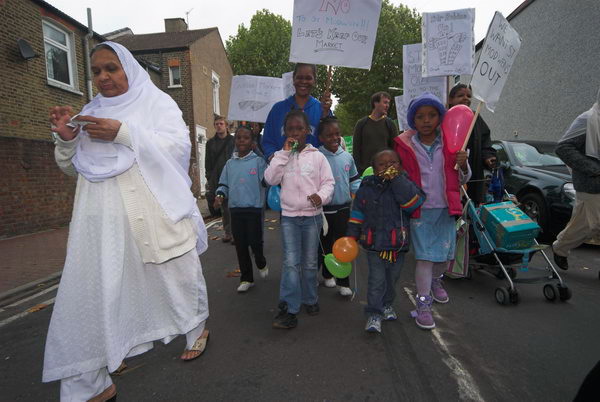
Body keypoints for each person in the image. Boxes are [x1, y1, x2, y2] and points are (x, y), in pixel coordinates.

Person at [44, 41, 210, 401]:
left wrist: (123, 133)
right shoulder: (89, 111)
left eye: (111, 69)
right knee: (93, 296)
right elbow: (74, 168)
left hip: (149, 217)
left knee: (175, 279)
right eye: (96, 71)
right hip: (99, 226)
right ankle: (90, 382)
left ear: (128, 69)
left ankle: (196, 326)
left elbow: (179, 147)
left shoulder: (157, 103)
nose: (103, 77)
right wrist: (69, 140)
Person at [394, 92, 470, 330]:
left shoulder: (452, 142)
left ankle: (437, 279)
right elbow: (399, 176)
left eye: (432, 115)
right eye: (420, 116)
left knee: (444, 258)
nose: (426, 120)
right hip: (421, 211)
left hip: (447, 208)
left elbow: (464, 177)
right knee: (425, 258)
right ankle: (423, 303)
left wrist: (464, 163)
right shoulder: (405, 145)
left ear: (440, 117)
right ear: (412, 120)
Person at [265, 110, 335, 329]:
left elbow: (328, 183)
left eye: (299, 128)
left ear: (308, 131)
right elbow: (270, 179)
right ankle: (289, 308)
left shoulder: (318, 157)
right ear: (285, 132)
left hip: (312, 217)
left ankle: (311, 298)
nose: (295, 133)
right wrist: (284, 154)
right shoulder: (281, 156)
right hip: (289, 218)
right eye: (290, 129)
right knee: (291, 263)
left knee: (310, 261)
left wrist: (321, 197)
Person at [347, 150, 425, 333]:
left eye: (393, 163)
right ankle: (374, 313)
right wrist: (351, 235)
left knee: (392, 279)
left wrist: (397, 180)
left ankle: (387, 304)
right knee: (377, 280)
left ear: (400, 165)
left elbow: (412, 204)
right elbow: (357, 214)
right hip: (374, 244)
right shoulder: (366, 188)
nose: (388, 166)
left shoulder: (404, 183)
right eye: (382, 164)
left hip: (398, 244)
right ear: (374, 170)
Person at [215, 125, 268, 292]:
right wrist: (220, 195)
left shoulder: (258, 162)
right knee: (241, 245)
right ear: (235, 141)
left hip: (254, 210)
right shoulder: (230, 164)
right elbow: (223, 184)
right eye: (238, 138)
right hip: (236, 210)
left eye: (246, 138)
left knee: (255, 242)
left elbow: (267, 180)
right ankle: (246, 278)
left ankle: (261, 261)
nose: (242, 141)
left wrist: (263, 156)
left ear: (252, 141)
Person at [552, 87, 600, 270]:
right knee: (588, 225)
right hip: (591, 184)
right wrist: (593, 169)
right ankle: (560, 248)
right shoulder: (588, 119)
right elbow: (563, 148)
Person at [317, 116, 361, 296]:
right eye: (329, 135)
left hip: (343, 210)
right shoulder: (316, 157)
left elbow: (354, 181)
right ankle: (327, 275)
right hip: (323, 212)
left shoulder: (347, 157)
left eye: (337, 134)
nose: (334, 138)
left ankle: (344, 282)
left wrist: (363, 194)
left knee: (343, 246)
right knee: (324, 246)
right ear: (320, 138)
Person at [262, 63, 332, 160]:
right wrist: (275, 159)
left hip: (312, 171)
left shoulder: (323, 110)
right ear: (293, 79)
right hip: (283, 170)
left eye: (308, 78)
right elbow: (267, 142)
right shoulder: (277, 109)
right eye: (299, 77)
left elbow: (329, 142)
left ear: (314, 80)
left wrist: (325, 115)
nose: (303, 81)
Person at [447, 84, 496, 205]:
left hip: (473, 172)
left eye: (469, 96)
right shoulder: (445, 117)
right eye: (460, 95)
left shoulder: (475, 118)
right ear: (450, 99)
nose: (466, 98)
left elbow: (485, 142)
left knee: (470, 209)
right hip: (450, 171)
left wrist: (488, 157)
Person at [352, 91, 399, 175]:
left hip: (386, 173)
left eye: (388, 103)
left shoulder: (390, 124)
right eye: (385, 102)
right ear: (375, 103)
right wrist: (359, 170)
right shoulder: (361, 124)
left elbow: (395, 149)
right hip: (365, 173)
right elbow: (356, 150)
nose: (387, 105)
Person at [206, 116, 235, 242]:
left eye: (221, 123)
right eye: (216, 124)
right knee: (224, 207)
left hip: (232, 176)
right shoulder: (210, 143)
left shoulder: (233, 141)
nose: (219, 126)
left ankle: (235, 233)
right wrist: (209, 177)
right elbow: (207, 162)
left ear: (226, 125)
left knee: (233, 206)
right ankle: (228, 233)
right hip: (217, 177)